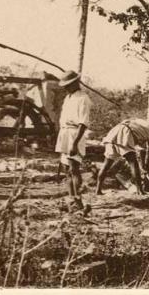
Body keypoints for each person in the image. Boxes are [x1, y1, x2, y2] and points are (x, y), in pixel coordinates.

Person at [96, 118, 149, 195]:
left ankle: (98, 190)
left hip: (114, 131)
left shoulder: (143, 126)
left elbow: (142, 150)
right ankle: (140, 190)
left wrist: (142, 166)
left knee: (107, 163)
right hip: (125, 133)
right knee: (133, 163)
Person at [54, 70, 92, 211]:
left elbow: (83, 123)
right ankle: (71, 200)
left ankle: (78, 200)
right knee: (66, 169)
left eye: (68, 85)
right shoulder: (68, 97)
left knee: (73, 168)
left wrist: (75, 143)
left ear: (76, 83)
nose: (66, 88)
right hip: (65, 133)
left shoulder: (83, 98)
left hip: (74, 134)